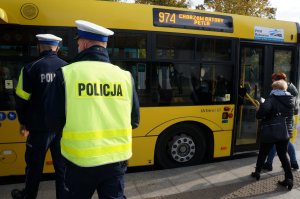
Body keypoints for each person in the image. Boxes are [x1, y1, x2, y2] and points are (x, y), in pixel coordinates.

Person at [44, 20, 140, 199]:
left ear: (85, 43)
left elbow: (52, 120)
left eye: (78, 41)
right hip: (116, 160)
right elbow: (134, 120)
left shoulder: (66, 73)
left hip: (79, 161)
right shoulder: (125, 76)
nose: (78, 45)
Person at [11, 34, 68, 199]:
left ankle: (28, 196)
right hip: (61, 129)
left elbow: (21, 99)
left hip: (37, 129)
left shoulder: (30, 68)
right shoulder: (67, 68)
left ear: (39, 47)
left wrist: (23, 122)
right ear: (56, 48)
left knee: (34, 167)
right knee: (62, 166)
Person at [251, 80, 294, 190]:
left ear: (275, 88)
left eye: (273, 88)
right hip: (284, 132)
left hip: (270, 130)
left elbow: (263, 111)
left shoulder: (272, 98)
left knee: (263, 153)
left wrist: (259, 110)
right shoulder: (290, 99)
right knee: (283, 156)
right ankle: (289, 178)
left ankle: (257, 173)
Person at [263, 72, 299, 171]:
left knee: (277, 142)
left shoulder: (283, 88)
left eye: (273, 79)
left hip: (284, 120)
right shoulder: (290, 87)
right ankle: (294, 162)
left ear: (277, 80)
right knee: (285, 142)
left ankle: (269, 164)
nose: (272, 81)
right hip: (288, 119)